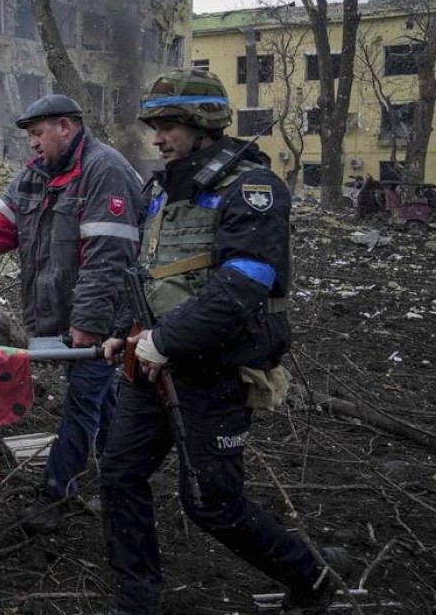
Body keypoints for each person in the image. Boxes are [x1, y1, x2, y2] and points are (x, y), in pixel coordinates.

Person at [98, 70, 347, 614]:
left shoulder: (251, 189)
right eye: (155, 126)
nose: (157, 138)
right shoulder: (162, 190)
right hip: (153, 366)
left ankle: (313, 580)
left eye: (168, 126)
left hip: (215, 370)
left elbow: (245, 283)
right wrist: (125, 331)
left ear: (203, 124)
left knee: (211, 502)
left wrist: (165, 339)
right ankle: (137, 601)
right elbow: (147, 271)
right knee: (118, 475)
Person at [0, 94, 143, 532]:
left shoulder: (106, 173)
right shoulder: (35, 177)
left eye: (37, 134)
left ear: (65, 127)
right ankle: (121, 478)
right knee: (103, 399)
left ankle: (56, 491)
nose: (31, 144)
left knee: (84, 400)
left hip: (103, 320)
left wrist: (87, 324)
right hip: (61, 318)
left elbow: (108, 258)